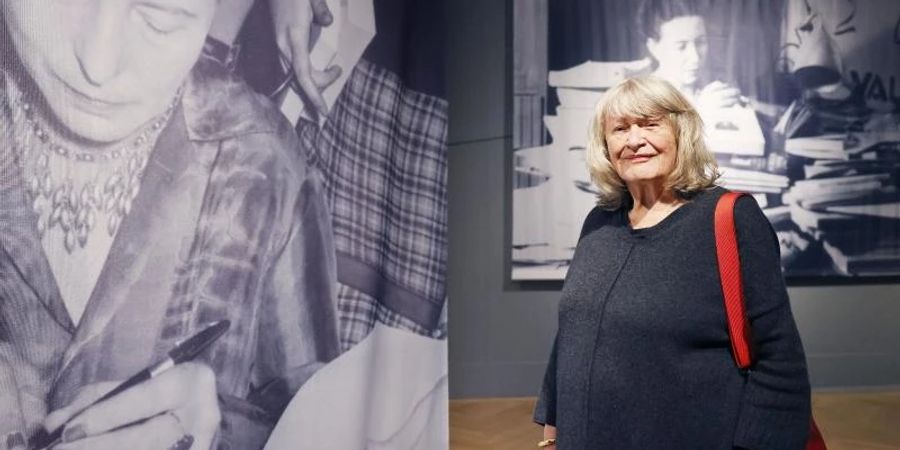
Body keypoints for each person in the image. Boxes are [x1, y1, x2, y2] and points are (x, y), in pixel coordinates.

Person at [0, 0, 340, 448]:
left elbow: (326, 426)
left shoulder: (263, 164)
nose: (97, 65)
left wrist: (226, 433)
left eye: (160, 15)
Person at [533, 76, 811, 449]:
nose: (634, 140)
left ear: (682, 132)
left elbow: (778, 353)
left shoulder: (730, 218)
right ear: (605, 145)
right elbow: (574, 329)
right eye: (619, 129)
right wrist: (552, 424)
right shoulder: (600, 221)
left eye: (650, 125)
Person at [637, 0, 741, 110]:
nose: (695, 57)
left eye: (700, 42)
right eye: (681, 47)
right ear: (654, 48)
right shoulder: (641, 98)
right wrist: (701, 109)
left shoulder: (711, 84)